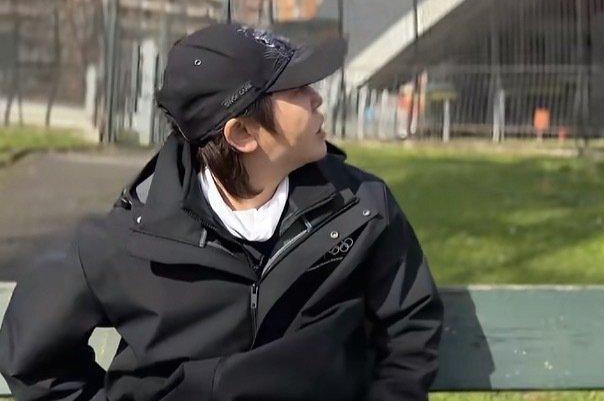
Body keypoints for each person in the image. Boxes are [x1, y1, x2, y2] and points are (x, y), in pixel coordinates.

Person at [0, 22, 444, 401]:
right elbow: (34, 359)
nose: (317, 98)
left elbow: (410, 330)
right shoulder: (128, 239)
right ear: (243, 134)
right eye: (296, 88)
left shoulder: (362, 208)